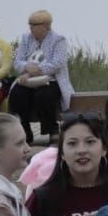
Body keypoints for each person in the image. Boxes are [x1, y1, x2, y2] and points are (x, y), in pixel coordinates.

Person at [9, 10, 73, 146]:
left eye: (34, 25)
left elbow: (57, 63)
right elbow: (17, 61)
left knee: (44, 96)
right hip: (27, 79)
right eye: (30, 24)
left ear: (46, 26)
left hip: (51, 79)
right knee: (17, 95)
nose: (30, 28)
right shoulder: (26, 38)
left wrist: (36, 70)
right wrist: (27, 68)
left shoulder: (58, 39)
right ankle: (24, 132)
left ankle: (52, 131)